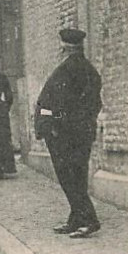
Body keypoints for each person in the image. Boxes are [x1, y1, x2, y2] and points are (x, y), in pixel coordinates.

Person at [35, 27, 102, 238]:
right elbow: (94, 105)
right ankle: (76, 220)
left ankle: (89, 219)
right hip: (82, 133)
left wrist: (51, 125)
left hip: (64, 134)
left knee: (68, 177)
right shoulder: (90, 70)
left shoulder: (65, 71)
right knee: (78, 175)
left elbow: (54, 100)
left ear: (64, 48)